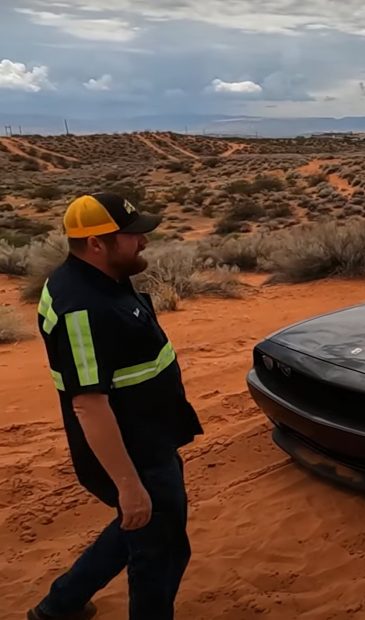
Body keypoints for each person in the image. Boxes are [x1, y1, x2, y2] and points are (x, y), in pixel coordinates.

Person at [28, 192, 203, 620]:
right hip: (133, 453)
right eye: (132, 235)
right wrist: (128, 484)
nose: (143, 241)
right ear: (96, 243)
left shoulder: (100, 276)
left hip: (149, 437)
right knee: (160, 553)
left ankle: (60, 605)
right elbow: (89, 405)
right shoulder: (83, 309)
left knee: (137, 528)